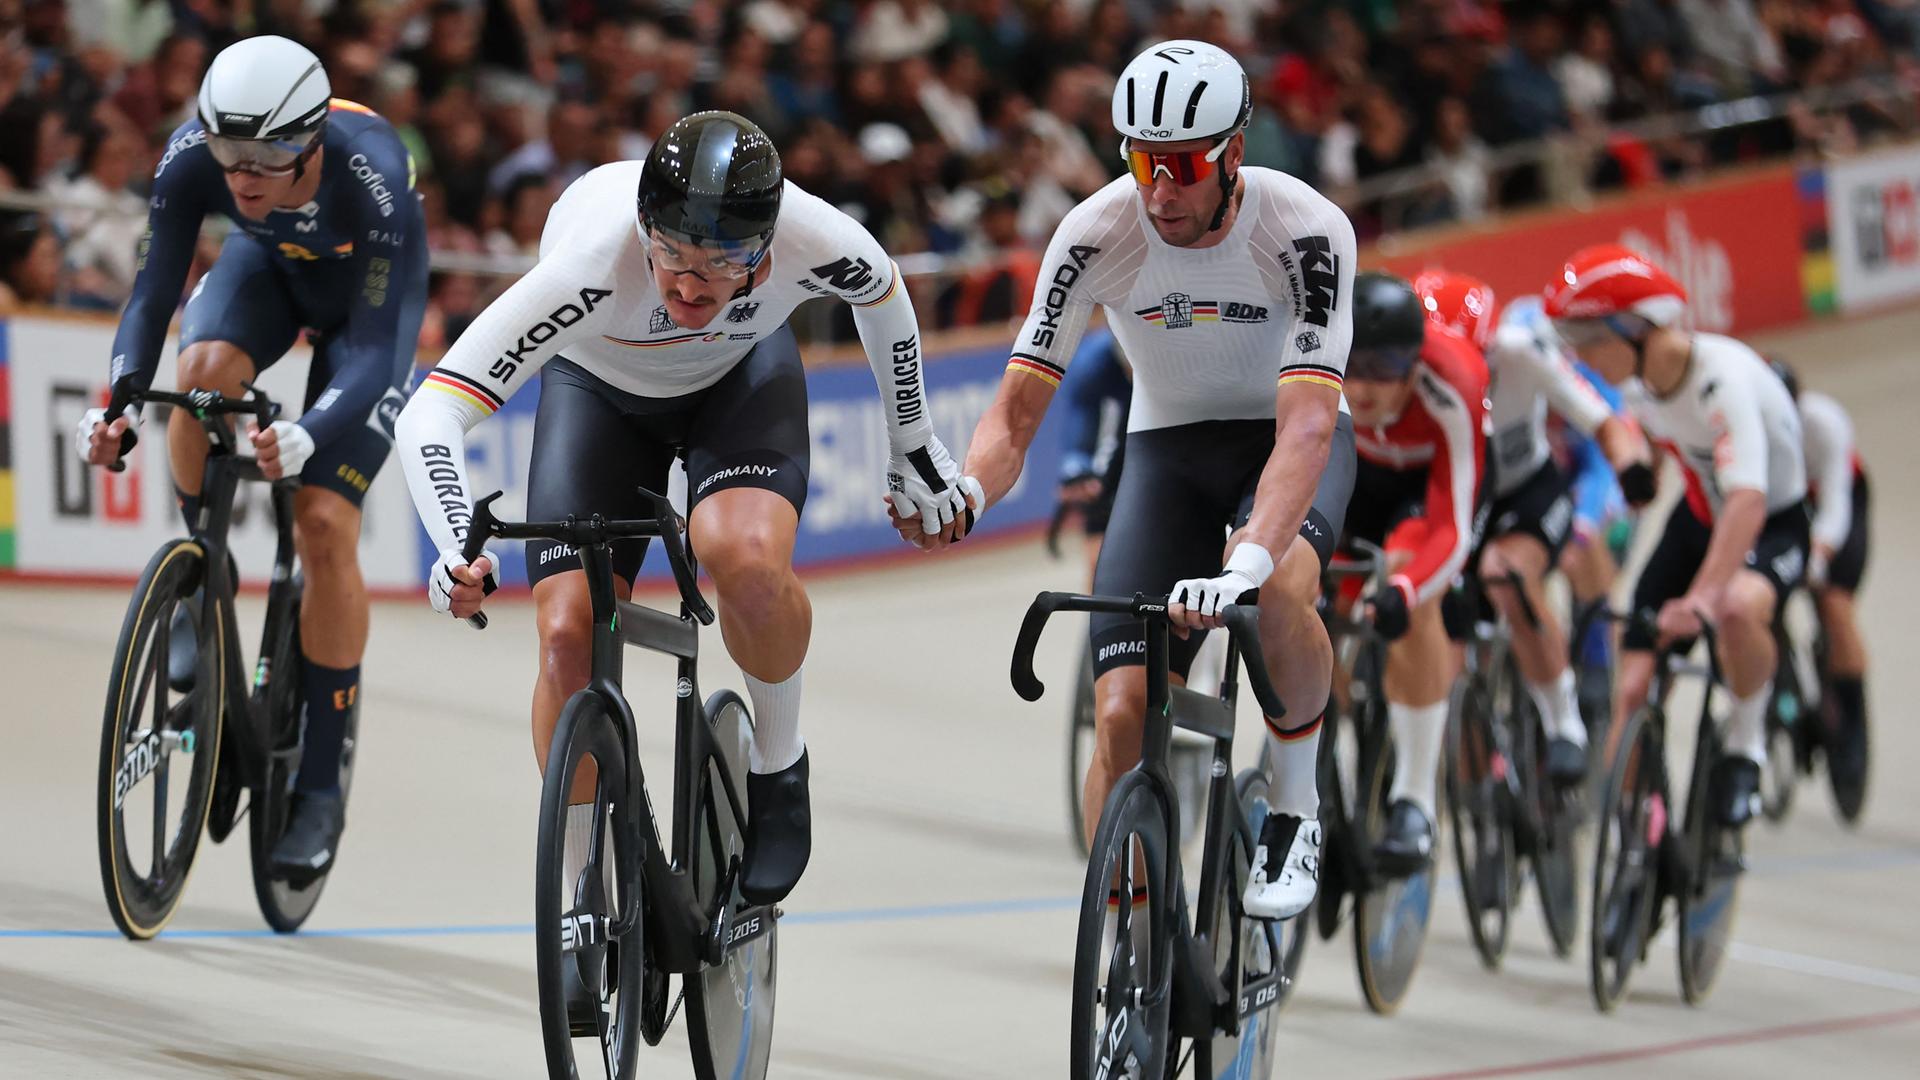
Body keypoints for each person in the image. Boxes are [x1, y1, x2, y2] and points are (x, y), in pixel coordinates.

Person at [394, 111, 977, 914]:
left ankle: (778, 763)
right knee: (568, 631)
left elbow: (883, 293)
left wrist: (913, 445)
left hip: (739, 378)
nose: (689, 284)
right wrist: (455, 540)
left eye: (722, 263)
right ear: (645, 229)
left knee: (742, 556)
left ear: (767, 247)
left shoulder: (813, 232)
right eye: (669, 255)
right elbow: (432, 412)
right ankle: (581, 889)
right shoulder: (593, 263)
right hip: (599, 390)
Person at [947, 40, 1359, 920]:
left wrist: (1244, 565)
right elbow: (1016, 413)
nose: (1158, 190)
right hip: (1166, 448)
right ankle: (1130, 952)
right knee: (1125, 712)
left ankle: (1295, 807)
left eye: (1179, 166)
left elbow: (1309, 425)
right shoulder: (1095, 234)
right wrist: (968, 495)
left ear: (1234, 154)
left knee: (1283, 585)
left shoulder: (1308, 229)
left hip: (1281, 439)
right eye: (1140, 162)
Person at [75, 36, 428, 881]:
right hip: (267, 273)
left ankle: (318, 786)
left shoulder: (374, 171)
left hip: (365, 319)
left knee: (322, 520)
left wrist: (312, 430)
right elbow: (154, 292)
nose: (243, 174)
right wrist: (119, 398)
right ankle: (206, 582)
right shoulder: (194, 155)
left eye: (268, 153)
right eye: (230, 152)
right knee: (197, 380)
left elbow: (378, 351)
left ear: (309, 139)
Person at [1545, 244, 1808, 828]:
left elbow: (1748, 500)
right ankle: (1635, 835)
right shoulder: (1642, 383)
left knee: (1737, 607)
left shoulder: (1725, 378)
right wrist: (1641, 478)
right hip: (1697, 522)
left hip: (1771, 526)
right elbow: (1657, 442)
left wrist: (1702, 598)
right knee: (1633, 686)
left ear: (1632, 329)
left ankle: (1745, 750)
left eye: (1586, 340)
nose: (1579, 356)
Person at [1412, 269, 1649, 783]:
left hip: (1527, 491)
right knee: (1444, 652)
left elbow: (1602, 422)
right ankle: (1479, 783)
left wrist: (1629, 466)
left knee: (1507, 573)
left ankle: (1565, 719)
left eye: (1479, 362)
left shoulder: (1520, 353)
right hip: (1461, 498)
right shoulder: (1409, 369)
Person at [1338, 272, 1490, 871]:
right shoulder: (1316, 362)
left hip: (1426, 492)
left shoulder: (1454, 380)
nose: (1369, 385)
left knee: (1409, 582)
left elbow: (1453, 526)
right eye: (1357, 364)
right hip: (1358, 475)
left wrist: (1405, 590)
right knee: (1309, 596)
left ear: (1415, 360)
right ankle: (1324, 757)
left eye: (1387, 367)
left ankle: (1415, 800)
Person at [1769, 358, 1871, 793]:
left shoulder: (1824, 422)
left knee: (1835, 605)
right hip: (1784, 513)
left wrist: (1818, 557)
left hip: (1837, 507)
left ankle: (1851, 720)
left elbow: (1836, 505)